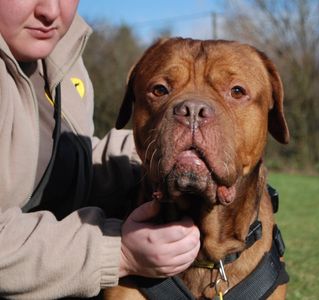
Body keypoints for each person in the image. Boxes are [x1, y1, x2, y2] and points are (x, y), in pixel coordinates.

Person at [0, 0, 200, 299]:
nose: (51, 11)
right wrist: (116, 251)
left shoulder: (60, 55)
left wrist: (178, 149)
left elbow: (65, 162)